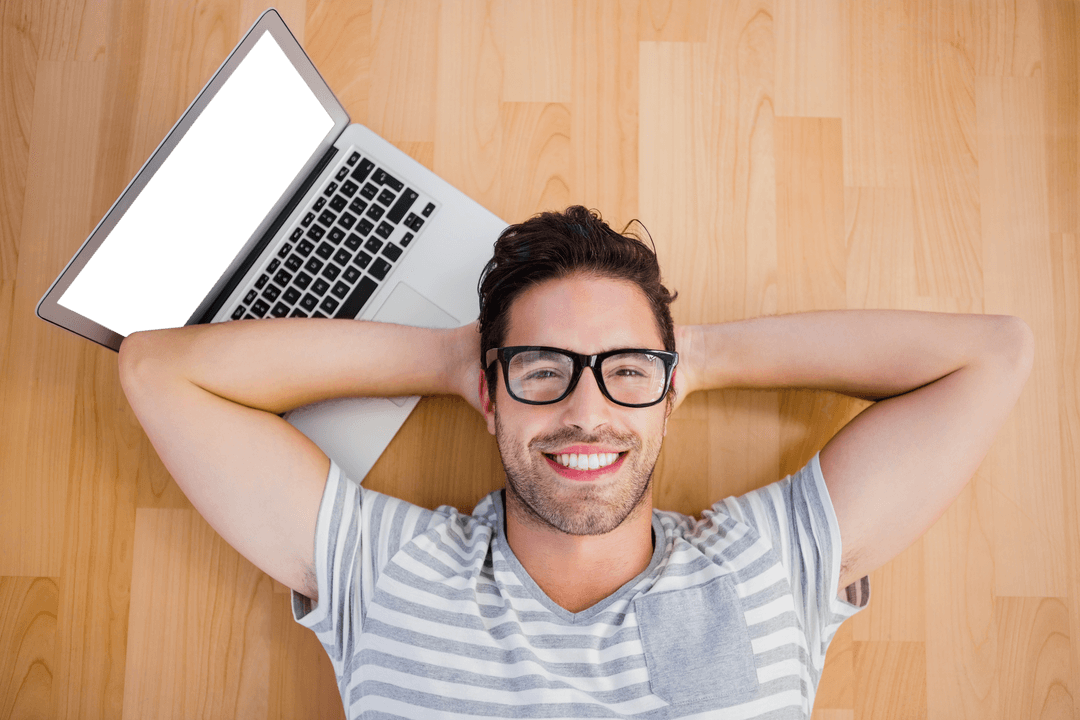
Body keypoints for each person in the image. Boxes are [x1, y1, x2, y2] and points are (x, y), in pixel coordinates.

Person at [118, 206, 1033, 718]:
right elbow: (160, 372)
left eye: (627, 372)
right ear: (490, 395)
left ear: (671, 395)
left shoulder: (769, 563)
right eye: (543, 371)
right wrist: (451, 361)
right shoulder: (388, 572)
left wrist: (694, 358)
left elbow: (993, 355)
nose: (586, 411)